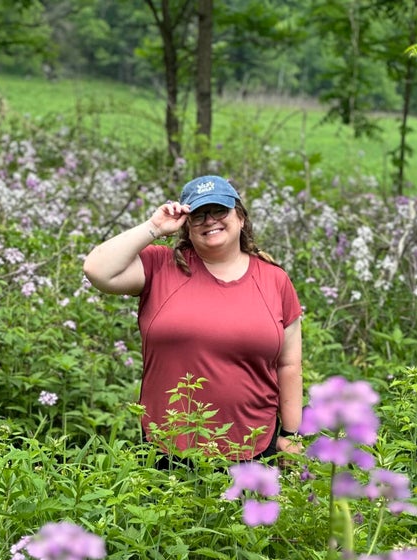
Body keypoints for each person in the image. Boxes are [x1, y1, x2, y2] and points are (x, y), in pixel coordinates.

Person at [82, 174, 303, 463]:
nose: (209, 220)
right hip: (167, 447)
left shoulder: (275, 280)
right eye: (198, 215)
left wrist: (291, 434)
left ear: (240, 217)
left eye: (219, 211)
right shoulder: (161, 266)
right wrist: (154, 227)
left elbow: (289, 364)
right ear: (186, 225)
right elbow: (97, 270)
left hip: (255, 446)